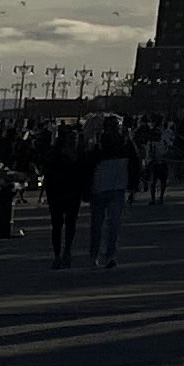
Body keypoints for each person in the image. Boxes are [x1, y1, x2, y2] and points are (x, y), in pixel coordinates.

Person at [40, 117, 92, 269]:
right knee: (58, 225)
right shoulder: (57, 155)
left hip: (71, 193)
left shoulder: (79, 156)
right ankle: (58, 254)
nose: (73, 142)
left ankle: (66, 251)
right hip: (58, 193)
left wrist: (85, 191)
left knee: (69, 224)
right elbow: (49, 172)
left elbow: (84, 174)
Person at [86, 116, 133, 270]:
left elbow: (135, 163)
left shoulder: (125, 143)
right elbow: (89, 165)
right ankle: (97, 255)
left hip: (116, 187)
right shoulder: (99, 144)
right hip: (102, 188)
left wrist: (133, 184)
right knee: (99, 225)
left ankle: (109, 255)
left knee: (112, 225)